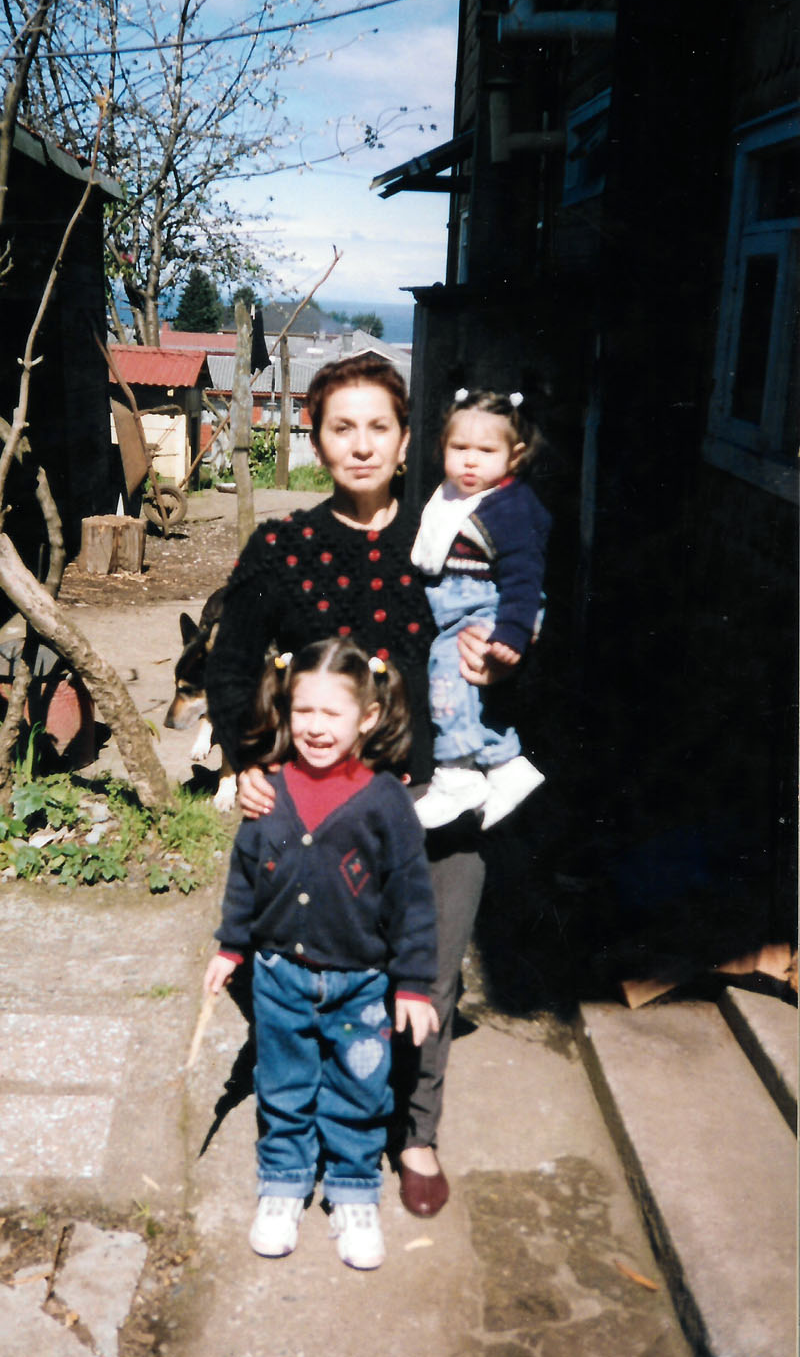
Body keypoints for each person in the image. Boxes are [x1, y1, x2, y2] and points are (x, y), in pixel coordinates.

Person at [205, 353, 508, 1224]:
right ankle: (298, 1140)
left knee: (431, 979)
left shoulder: (452, 540)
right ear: (315, 436)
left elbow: (514, 634)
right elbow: (230, 666)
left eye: (381, 426)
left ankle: (414, 1136)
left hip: (432, 806)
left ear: (408, 440)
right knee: (302, 977)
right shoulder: (284, 550)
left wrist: (500, 658)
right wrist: (248, 762)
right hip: (314, 818)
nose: (362, 445)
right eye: (343, 426)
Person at [203, 637, 438, 1270]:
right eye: (303, 711)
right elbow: (245, 874)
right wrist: (231, 946)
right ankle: (282, 1188)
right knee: (283, 1087)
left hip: (361, 987)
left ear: (366, 717)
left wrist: (414, 983)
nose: (314, 727)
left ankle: (354, 1192)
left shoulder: (386, 801)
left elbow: (413, 898)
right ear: (287, 710)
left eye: (331, 714)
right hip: (279, 978)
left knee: (360, 1091)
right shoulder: (268, 792)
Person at [410, 389, 551, 831]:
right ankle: (507, 766)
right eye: (459, 448)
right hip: (460, 604)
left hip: (490, 607)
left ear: (515, 455)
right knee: (473, 696)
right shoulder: (452, 496)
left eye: (486, 450)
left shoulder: (508, 507)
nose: (470, 461)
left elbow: (525, 578)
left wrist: (511, 633)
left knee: (449, 677)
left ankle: (456, 774)